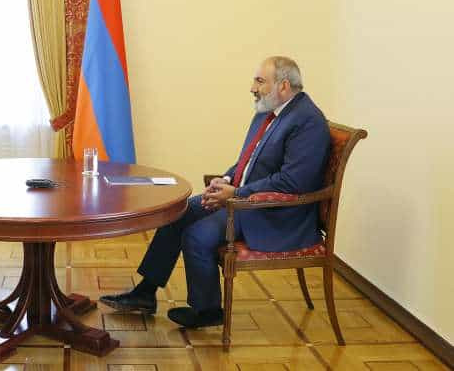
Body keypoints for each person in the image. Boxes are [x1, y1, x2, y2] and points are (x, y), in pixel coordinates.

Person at [100, 56, 330, 328]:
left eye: (260, 81)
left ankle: (207, 311)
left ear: (283, 86)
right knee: (178, 212)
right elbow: (248, 160)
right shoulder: (268, 112)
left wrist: (236, 193)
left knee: (197, 235)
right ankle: (145, 293)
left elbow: (292, 182)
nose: (252, 88)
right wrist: (225, 179)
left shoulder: (308, 122)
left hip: (273, 214)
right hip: (244, 199)